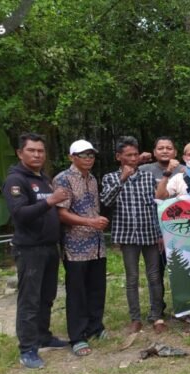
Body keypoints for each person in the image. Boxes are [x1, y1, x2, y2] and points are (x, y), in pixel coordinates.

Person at [2, 133, 69, 369]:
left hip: (49, 246)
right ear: (20, 153)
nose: (37, 155)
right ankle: (28, 349)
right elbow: (20, 214)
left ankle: (43, 336)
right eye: (31, 150)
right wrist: (50, 201)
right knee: (29, 299)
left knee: (46, 296)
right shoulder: (16, 181)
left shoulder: (44, 179)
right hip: (30, 249)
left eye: (40, 151)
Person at [100, 136, 166, 334]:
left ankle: (157, 316)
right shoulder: (110, 178)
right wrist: (122, 179)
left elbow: (156, 205)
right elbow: (106, 201)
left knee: (154, 276)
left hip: (149, 233)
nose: (132, 158)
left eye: (135, 155)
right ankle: (135, 318)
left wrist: (160, 233)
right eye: (128, 155)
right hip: (127, 234)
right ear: (118, 157)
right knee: (132, 278)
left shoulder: (147, 177)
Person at [53, 140, 109, 357]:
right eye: (83, 155)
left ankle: (95, 326)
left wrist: (95, 224)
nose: (88, 159)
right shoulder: (63, 179)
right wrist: (90, 222)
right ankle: (77, 336)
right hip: (75, 246)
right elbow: (61, 213)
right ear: (72, 157)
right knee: (77, 292)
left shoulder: (92, 179)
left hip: (96, 244)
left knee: (97, 288)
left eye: (91, 155)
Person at [139, 136, 186, 310]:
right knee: (155, 273)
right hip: (153, 228)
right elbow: (124, 170)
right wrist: (138, 159)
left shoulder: (184, 170)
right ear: (154, 152)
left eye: (169, 148)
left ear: (175, 152)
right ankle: (157, 309)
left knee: (182, 270)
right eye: (160, 148)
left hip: (179, 229)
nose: (165, 151)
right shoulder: (144, 169)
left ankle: (185, 307)